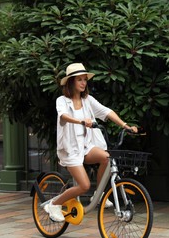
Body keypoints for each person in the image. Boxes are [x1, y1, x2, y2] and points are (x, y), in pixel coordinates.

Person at [44, 63, 137, 222]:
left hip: (86, 146)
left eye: (85, 80)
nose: (83, 83)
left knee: (107, 158)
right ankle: (54, 204)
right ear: (71, 82)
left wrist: (125, 125)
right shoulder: (62, 101)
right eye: (79, 80)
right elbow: (63, 116)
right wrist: (80, 121)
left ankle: (99, 194)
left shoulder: (87, 100)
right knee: (84, 186)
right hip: (71, 150)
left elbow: (106, 111)